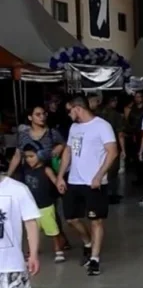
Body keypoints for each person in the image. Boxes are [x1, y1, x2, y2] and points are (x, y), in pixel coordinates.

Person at [56, 95, 119, 277]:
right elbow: (68, 152)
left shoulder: (102, 126)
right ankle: (88, 243)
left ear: (78, 108)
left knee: (96, 220)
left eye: (69, 111)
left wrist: (99, 175)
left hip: (93, 183)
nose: (68, 114)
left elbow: (112, 152)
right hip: (74, 180)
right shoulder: (74, 127)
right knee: (71, 218)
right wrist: (60, 176)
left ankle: (94, 259)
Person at [21, 144, 67, 263]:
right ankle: (33, 250)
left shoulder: (46, 170)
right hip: (31, 207)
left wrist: (60, 186)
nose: (29, 159)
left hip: (45, 206)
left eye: (31, 156)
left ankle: (58, 250)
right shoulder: (25, 170)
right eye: (26, 157)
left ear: (40, 155)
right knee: (32, 231)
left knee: (52, 230)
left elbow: (55, 180)